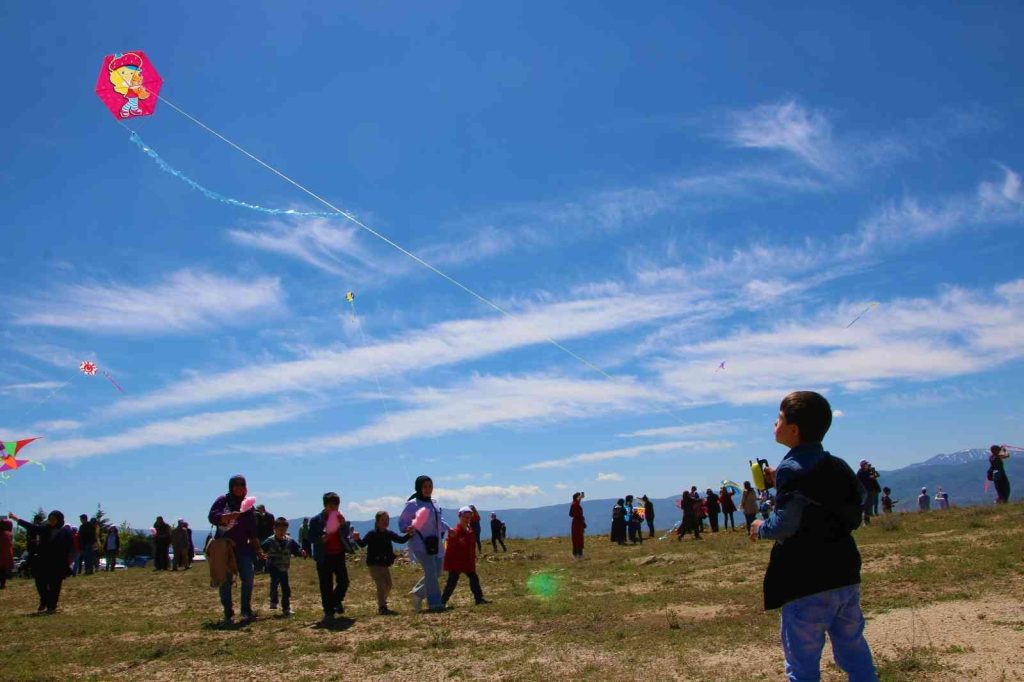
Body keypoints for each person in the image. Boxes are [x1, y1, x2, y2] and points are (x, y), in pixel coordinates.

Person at [750, 391, 876, 681]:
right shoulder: (838, 465)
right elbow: (857, 498)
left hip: (805, 578)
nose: (775, 422)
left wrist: (760, 527)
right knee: (854, 651)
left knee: (802, 664)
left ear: (793, 429)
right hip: (844, 573)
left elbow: (786, 524)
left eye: (779, 418)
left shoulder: (791, 471)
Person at [208, 474, 265, 623]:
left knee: (248, 577)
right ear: (231, 486)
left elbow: (253, 533)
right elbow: (212, 516)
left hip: (243, 548)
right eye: (236, 485)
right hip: (225, 547)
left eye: (242, 485)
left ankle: (246, 610)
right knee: (225, 581)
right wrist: (226, 516)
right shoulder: (223, 500)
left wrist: (258, 550)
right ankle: (228, 613)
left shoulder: (248, 507)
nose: (239, 488)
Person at [399, 475, 449, 613]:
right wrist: (406, 528)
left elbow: (439, 520)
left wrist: (449, 529)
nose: (428, 489)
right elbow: (402, 522)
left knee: (437, 572)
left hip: (436, 543)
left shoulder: (434, 502)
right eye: (425, 487)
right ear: (419, 488)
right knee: (431, 571)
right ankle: (435, 603)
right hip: (420, 543)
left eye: (430, 486)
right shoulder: (412, 504)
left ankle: (418, 593)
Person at [10, 510, 73, 614]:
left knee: (55, 586)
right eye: (49, 519)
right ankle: (44, 601)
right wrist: (16, 519)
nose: (51, 521)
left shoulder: (65, 532)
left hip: (58, 564)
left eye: (53, 519)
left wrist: (68, 562)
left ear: (59, 520)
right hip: (42, 562)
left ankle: (52, 606)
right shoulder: (45, 529)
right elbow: (31, 527)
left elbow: (70, 548)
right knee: (40, 583)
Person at [309, 492, 353, 621]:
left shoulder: (339, 517)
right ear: (325, 505)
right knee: (326, 585)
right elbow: (311, 537)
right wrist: (321, 539)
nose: (335, 509)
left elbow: (345, 535)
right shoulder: (316, 520)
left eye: (337, 506)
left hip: (338, 554)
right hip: (324, 556)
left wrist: (344, 524)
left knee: (344, 582)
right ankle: (329, 611)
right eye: (332, 506)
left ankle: (335, 601)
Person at [357, 511, 410, 615]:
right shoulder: (372, 534)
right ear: (377, 521)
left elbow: (401, 540)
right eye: (383, 520)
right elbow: (362, 544)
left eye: (387, 520)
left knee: (388, 585)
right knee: (381, 584)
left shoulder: (388, 533)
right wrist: (356, 539)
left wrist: (410, 534)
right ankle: (382, 607)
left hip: (385, 564)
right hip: (374, 564)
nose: (385, 522)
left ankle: (382, 602)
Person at [441, 507, 490, 607]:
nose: (467, 519)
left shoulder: (469, 530)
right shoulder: (455, 531)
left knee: (474, 578)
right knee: (452, 582)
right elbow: (450, 546)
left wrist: (473, 558)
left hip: (467, 561)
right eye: (465, 517)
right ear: (460, 517)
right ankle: (442, 602)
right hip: (456, 562)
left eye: (469, 517)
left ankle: (479, 599)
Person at [262, 517, 304, 615]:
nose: (282, 532)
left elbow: (296, 548)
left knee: (285, 587)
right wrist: (260, 554)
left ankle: (286, 607)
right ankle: (273, 600)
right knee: (275, 582)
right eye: (280, 530)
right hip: (273, 566)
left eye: (284, 530)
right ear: (274, 529)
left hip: (284, 566)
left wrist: (301, 551)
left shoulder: (289, 540)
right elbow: (261, 549)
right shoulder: (270, 541)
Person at [856, 461, 880, 526]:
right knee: (866, 506)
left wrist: (873, 470)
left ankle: (867, 522)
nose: (867, 465)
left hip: (870, 491)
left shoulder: (867, 471)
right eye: (866, 464)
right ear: (863, 465)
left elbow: (877, 475)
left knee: (869, 506)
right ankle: (865, 522)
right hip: (865, 491)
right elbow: (871, 477)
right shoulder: (861, 472)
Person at [569, 492, 586, 559]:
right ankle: (579, 554)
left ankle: (576, 553)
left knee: (575, 538)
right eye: (579, 497)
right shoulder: (576, 505)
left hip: (575, 522)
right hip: (578, 522)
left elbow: (570, 514)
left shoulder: (573, 504)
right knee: (579, 538)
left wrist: (581, 496)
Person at [0, 518, 13, 589]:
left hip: (2, 554)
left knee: (1, 570)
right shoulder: (9, 534)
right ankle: (3, 584)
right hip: (7, 555)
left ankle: (2, 584)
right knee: (3, 570)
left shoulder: (3, 534)